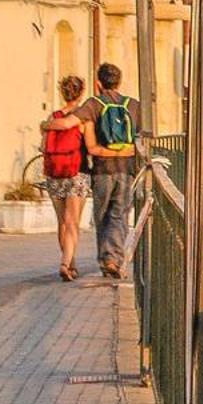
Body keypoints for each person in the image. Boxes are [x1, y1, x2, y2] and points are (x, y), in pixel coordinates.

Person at [77, 62, 140, 279]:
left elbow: (74, 121)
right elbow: (144, 138)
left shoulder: (94, 104)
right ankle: (113, 257)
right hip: (126, 168)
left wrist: (47, 126)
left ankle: (108, 259)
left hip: (102, 169)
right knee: (119, 214)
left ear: (98, 83)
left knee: (102, 215)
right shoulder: (133, 105)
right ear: (119, 82)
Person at [38, 75, 91, 281]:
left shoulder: (52, 119)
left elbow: (43, 147)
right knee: (73, 222)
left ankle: (71, 262)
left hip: (54, 173)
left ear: (63, 93)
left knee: (62, 222)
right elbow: (91, 146)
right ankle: (66, 263)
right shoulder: (83, 119)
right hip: (76, 173)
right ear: (81, 93)